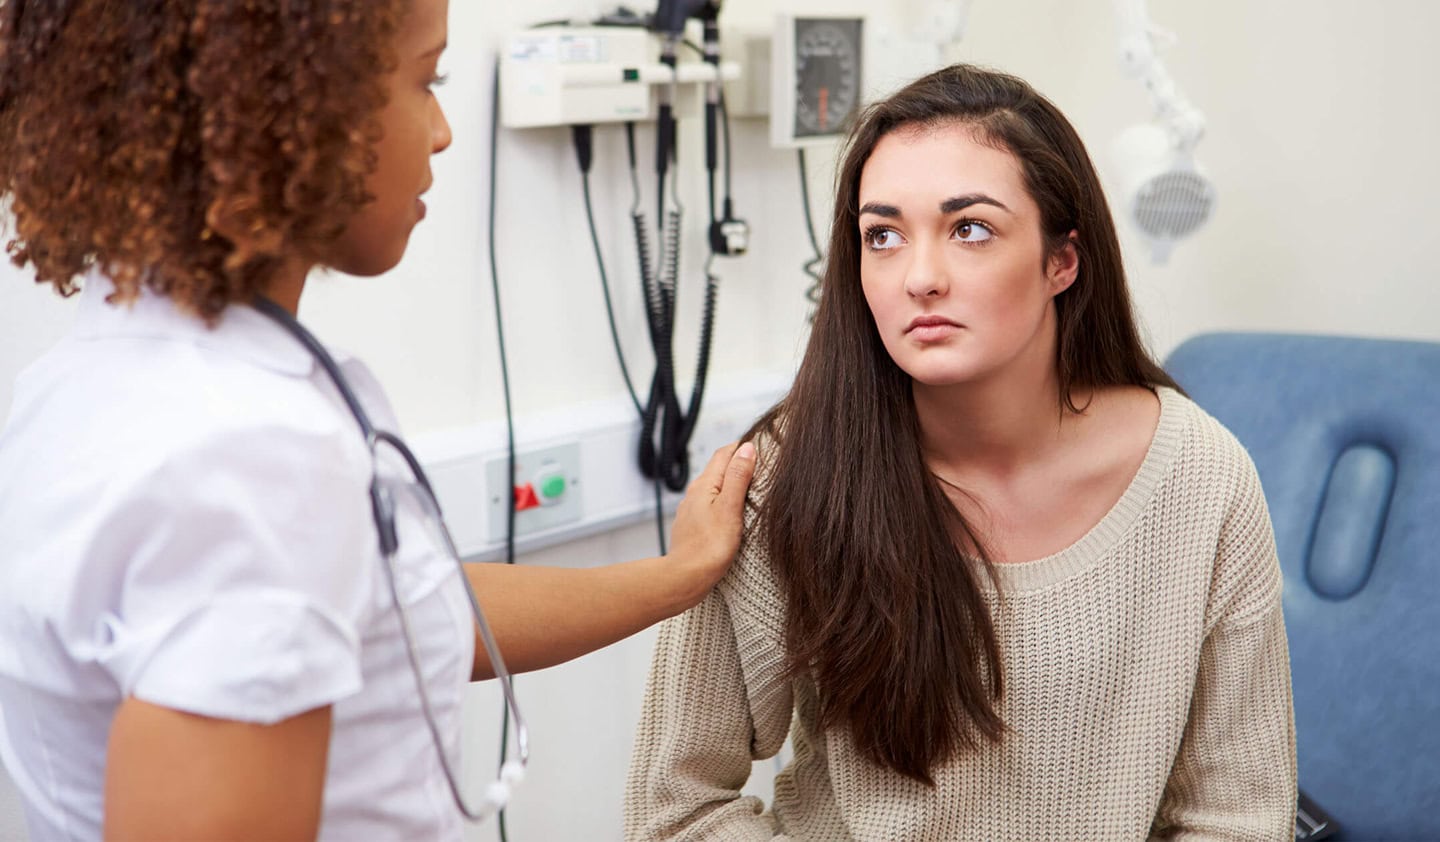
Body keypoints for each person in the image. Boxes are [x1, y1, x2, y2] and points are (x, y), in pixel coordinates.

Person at [0, 1, 755, 840]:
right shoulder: (246, 456)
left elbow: (399, 611)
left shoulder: (92, 383)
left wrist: (678, 575)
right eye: (426, 79)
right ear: (289, 100)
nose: (443, 132)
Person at [626, 63, 1296, 840]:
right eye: (883, 236)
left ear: (1061, 261)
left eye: (970, 228)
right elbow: (678, 811)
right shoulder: (785, 477)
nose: (920, 278)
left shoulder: (1202, 479)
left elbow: (1238, 819)